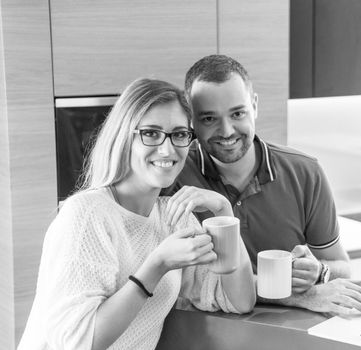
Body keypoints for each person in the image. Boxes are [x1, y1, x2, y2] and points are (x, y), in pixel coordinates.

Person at [18, 78, 256, 350]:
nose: (167, 149)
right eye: (151, 133)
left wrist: (223, 211)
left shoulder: (174, 219)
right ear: (124, 137)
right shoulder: (87, 214)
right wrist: (157, 265)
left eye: (179, 134)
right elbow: (78, 342)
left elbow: (239, 301)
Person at [163, 55, 361, 317]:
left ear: (254, 106)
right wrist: (298, 296)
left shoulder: (305, 172)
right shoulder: (172, 178)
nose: (227, 131)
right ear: (191, 121)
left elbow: (341, 265)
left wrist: (319, 271)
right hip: (205, 330)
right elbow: (187, 282)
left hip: (287, 330)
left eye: (237, 113)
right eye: (209, 119)